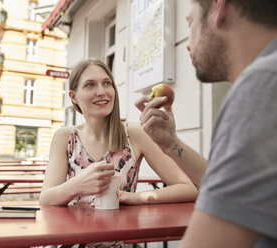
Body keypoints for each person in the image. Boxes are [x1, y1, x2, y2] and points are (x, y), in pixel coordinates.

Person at [135, 0, 277, 247]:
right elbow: (241, 193)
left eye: (190, 22)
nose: (188, 45)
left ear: (218, 8)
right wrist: (171, 144)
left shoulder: (262, 85)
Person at [39, 58, 197, 246]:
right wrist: (78, 184)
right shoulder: (65, 136)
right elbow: (45, 199)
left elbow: (188, 188)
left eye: (107, 83)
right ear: (73, 96)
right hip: (70, 242)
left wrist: (135, 198)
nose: (102, 91)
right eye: (90, 85)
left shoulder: (134, 133)